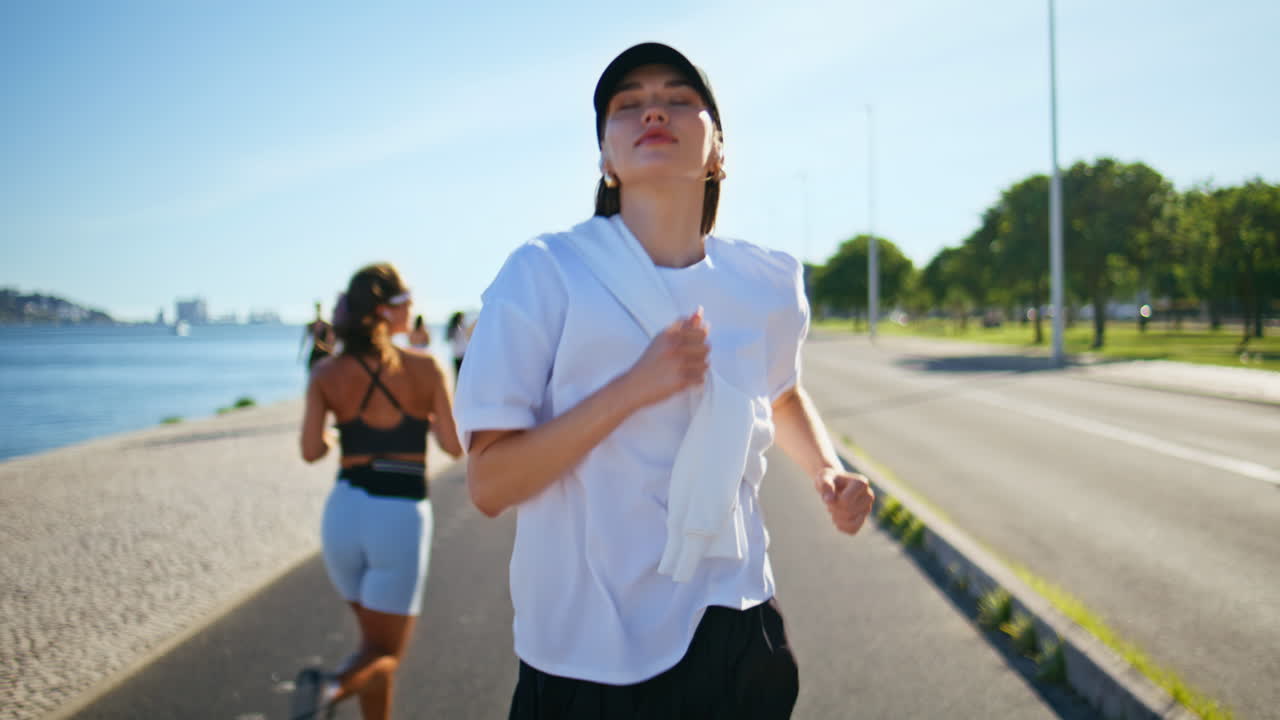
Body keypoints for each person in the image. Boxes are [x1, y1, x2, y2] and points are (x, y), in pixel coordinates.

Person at [453, 43, 875, 719]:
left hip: (736, 624)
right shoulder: (544, 274)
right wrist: (633, 388)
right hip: (587, 656)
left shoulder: (766, 283)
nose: (654, 108)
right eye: (628, 104)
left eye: (680, 98)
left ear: (717, 153)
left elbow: (782, 392)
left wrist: (827, 472)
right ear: (606, 159)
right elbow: (489, 483)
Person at [295, 263, 463, 720]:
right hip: (399, 516)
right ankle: (328, 690)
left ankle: (339, 691)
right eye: (407, 300)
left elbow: (311, 450)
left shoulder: (326, 372)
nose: (414, 307)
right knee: (384, 653)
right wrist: (426, 419)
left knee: (372, 650)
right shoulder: (426, 368)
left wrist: (337, 436)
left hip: (343, 515)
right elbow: (454, 447)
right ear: (389, 311)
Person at [301, 301, 336, 372]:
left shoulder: (326, 325)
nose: (318, 310)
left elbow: (331, 341)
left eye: (319, 308)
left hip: (324, 353)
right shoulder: (311, 325)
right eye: (317, 308)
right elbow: (305, 339)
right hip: (316, 352)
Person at [444, 311, 470, 377]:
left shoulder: (452, 328)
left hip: (457, 354)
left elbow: (447, 339)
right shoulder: (462, 326)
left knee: (458, 375)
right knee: (464, 375)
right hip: (463, 353)